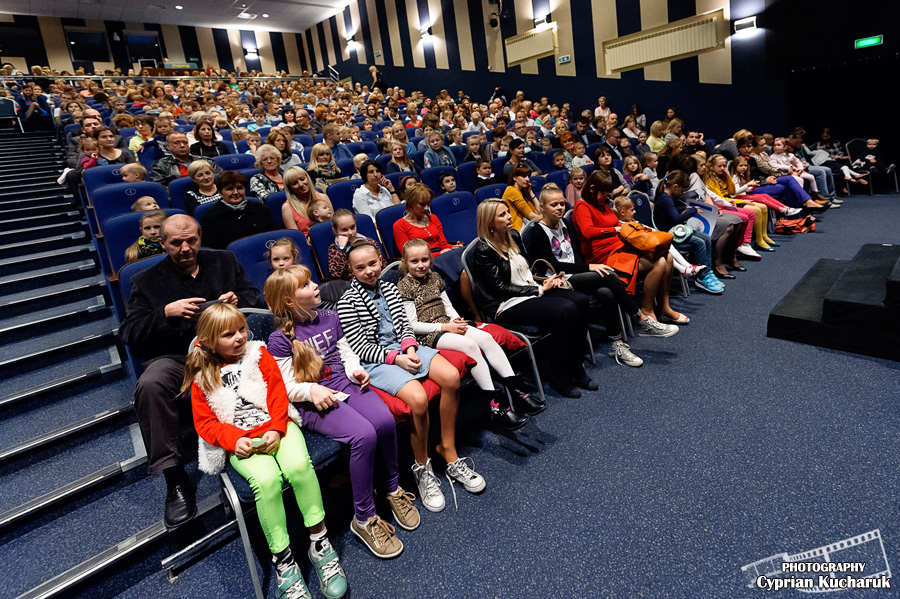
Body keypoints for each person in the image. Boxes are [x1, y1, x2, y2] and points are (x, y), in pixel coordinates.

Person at [185, 304, 349, 599]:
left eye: (241, 330)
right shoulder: (202, 374)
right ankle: (284, 560)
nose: (239, 337)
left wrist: (275, 428)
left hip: (278, 428)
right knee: (267, 482)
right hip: (241, 441)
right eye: (228, 334)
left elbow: (276, 395)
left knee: (299, 467)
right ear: (209, 341)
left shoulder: (258, 353)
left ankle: (319, 542)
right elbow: (205, 423)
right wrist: (233, 439)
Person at [264, 266, 417, 558]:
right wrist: (311, 391)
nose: (315, 286)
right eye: (307, 285)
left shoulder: (331, 317)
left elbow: (345, 352)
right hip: (313, 399)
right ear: (288, 301)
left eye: (312, 281)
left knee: (384, 421)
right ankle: (364, 517)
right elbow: (285, 387)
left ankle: (392, 489)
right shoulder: (280, 339)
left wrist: (355, 369)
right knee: (363, 436)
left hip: (342, 381)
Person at [118, 214, 259, 529]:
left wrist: (238, 301)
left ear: (200, 237)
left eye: (191, 240)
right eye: (177, 242)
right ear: (163, 243)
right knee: (151, 384)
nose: (185, 248)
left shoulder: (224, 261)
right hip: (180, 357)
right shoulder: (146, 279)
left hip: (230, 351)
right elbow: (129, 333)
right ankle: (175, 477)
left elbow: (255, 298)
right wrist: (165, 313)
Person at [337, 239, 485, 512]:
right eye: (361, 267)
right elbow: (359, 346)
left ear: (381, 261)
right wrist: (397, 358)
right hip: (377, 359)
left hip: (405, 349)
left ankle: (448, 451)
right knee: (417, 400)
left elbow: (406, 326)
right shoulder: (346, 302)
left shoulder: (391, 288)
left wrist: (409, 347)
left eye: (373, 264)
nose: (369, 271)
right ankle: (422, 467)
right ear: (351, 271)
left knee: (451, 377)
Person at [527, 187, 676, 363]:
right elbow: (555, 265)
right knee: (608, 274)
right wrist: (589, 267)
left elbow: (575, 254)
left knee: (607, 293)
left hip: (574, 274)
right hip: (558, 279)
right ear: (542, 207)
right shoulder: (537, 232)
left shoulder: (564, 224)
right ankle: (640, 318)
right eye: (554, 205)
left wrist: (587, 267)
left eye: (561, 203)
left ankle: (617, 345)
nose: (560, 208)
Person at [397, 239, 532, 428]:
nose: (421, 265)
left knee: (485, 337)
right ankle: (495, 404)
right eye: (414, 261)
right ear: (405, 263)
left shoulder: (434, 277)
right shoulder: (404, 286)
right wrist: (445, 328)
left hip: (447, 325)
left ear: (430, 260)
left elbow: (447, 306)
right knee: (470, 345)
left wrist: (456, 320)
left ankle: (517, 391)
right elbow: (412, 325)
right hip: (427, 335)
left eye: (424, 260)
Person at [470, 199, 594, 397]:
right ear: (490, 222)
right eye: (502, 214)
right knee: (566, 310)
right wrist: (538, 290)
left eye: (508, 212)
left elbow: (526, 271)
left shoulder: (512, 236)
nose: (510, 216)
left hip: (531, 290)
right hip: (507, 304)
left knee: (579, 301)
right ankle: (558, 375)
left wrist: (547, 281)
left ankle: (575, 365)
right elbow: (500, 289)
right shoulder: (484, 249)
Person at [574, 170, 688, 324]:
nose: (608, 197)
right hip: (602, 257)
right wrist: (615, 230)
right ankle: (647, 311)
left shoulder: (604, 205)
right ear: (592, 189)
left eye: (609, 193)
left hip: (620, 248)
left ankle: (664, 308)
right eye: (605, 193)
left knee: (667, 256)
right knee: (659, 262)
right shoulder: (582, 206)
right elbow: (587, 232)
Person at [200, 171, 275, 250]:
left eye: (239, 188)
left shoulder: (261, 209)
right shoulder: (209, 218)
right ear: (220, 193)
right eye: (230, 189)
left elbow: (272, 237)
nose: (235, 192)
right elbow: (215, 251)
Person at [393, 183, 463, 254]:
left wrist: (452, 248)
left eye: (428, 203)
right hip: (421, 261)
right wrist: (439, 254)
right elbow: (408, 255)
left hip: (442, 255)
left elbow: (443, 244)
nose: (426, 208)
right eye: (422, 204)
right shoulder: (400, 225)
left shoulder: (433, 218)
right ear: (411, 203)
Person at [327, 209, 387, 280]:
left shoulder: (369, 242)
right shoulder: (334, 248)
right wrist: (341, 248)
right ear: (335, 231)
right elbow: (335, 273)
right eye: (344, 230)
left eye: (352, 227)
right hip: (352, 285)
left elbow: (383, 265)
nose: (350, 233)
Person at [150, 132, 222, 187]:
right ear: (168, 146)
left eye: (185, 143)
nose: (182, 145)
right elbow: (160, 189)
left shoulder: (206, 161)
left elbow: (221, 180)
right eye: (177, 143)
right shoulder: (161, 165)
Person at [281, 166, 328, 234]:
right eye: (295, 183)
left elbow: (333, 225)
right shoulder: (287, 208)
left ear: (308, 178)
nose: (301, 184)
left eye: (302, 179)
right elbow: (297, 237)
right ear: (290, 188)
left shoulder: (323, 198)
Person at [502, 164, 541, 231]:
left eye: (528, 176)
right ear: (514, 178)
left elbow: (538, 212)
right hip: (516, 231)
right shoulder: (512, 191)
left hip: (523, 228)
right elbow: (532, 217)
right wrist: (549, 220)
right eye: (524, 176)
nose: (527, 179)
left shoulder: (520, 192)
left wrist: (530, 192)